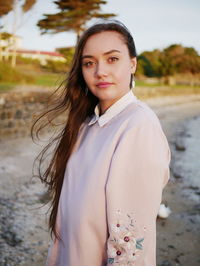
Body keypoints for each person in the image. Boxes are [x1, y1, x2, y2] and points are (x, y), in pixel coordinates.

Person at [32, 20, 171, 266]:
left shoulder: (139, 126)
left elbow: (131, 238)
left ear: (132, 64)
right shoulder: (88, 124)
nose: (100, 72)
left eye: (112, 59)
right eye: (89, 63)